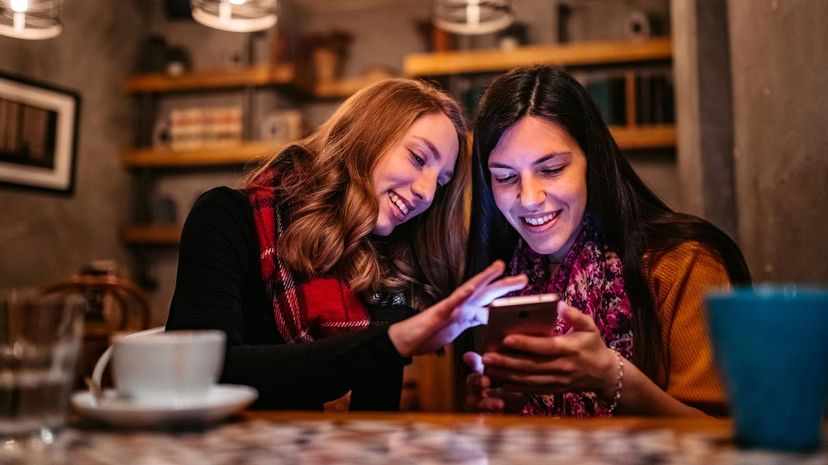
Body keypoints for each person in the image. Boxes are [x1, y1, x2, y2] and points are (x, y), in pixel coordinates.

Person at [166, 78, 527, 411]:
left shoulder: (391, 259)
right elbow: (199, 371)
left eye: (442, 182)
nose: (427, 192)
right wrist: (392, 342)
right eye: (418, 158)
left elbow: (374, 423)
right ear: (367, 138)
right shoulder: (226, 216)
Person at [461, 66, 751, 417]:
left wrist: (613, 379)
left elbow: (721, 438)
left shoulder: (683, 262)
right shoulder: (501, 280)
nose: (529, 197)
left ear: (592, 162)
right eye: (506, 177)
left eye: (551, 170)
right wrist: (496, 414)